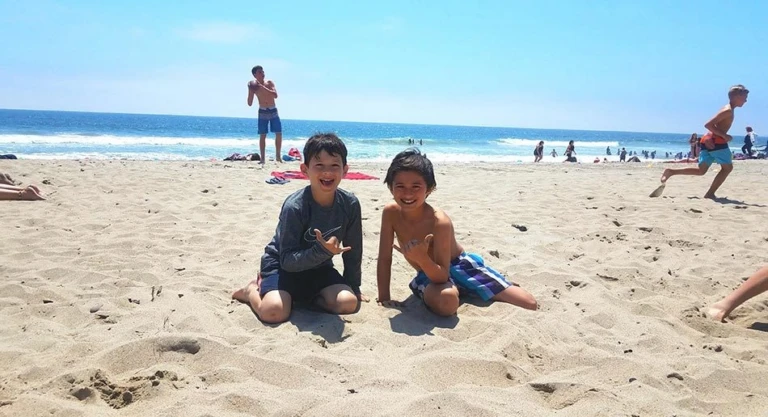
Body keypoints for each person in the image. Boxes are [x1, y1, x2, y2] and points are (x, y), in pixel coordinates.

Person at [375, 148, 537, 316]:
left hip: (459, 265)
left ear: (429, 189)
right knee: (447, 304)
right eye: (400, 186)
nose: (408, 192)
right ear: (390, 187)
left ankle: (477, 285)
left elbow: (443, 273)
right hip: (430, 275)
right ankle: (463, 290)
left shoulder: (439, 221)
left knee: (529, 303)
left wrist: (422, 258)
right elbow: (385, 258)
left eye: (416, 186)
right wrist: (384, 296)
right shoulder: (390, 213)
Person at [232, 133, 363, 324]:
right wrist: (322, 250)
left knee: (348, 303)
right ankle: (251, 290)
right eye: (319, 165)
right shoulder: (295, 206)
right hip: (281, 268)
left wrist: (354, 285)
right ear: (305, 170)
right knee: (274, 312)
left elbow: (353, 250)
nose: (327, 172)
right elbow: (286, 260)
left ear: (345, 170)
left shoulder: (349, 204)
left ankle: (301, 299)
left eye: (334, 166)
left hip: (319, 268)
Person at [660, 85, 749, 199]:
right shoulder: (727, 110)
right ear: (736, 96)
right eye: (744, 97)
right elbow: (708, 124)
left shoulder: (727, 109)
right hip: (717, 143)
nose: (746, 100)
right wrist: (724, 135)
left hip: (708, 141)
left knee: (701, 171)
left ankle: (671, 172)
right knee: (727, 168)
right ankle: (710, 194)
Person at [247, 65, 282, 164]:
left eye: (263, 71)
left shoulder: (269, 83)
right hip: (262, 111)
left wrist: (263, 88)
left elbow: (275, 95)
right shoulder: (254, 86)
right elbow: (249, 103)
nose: (262, 73)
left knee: (278, 133)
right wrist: (250, 90)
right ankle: (262, 158)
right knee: (263, 135)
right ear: (255, 75)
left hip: (272, 109)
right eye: (260, 72)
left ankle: (278, 157)